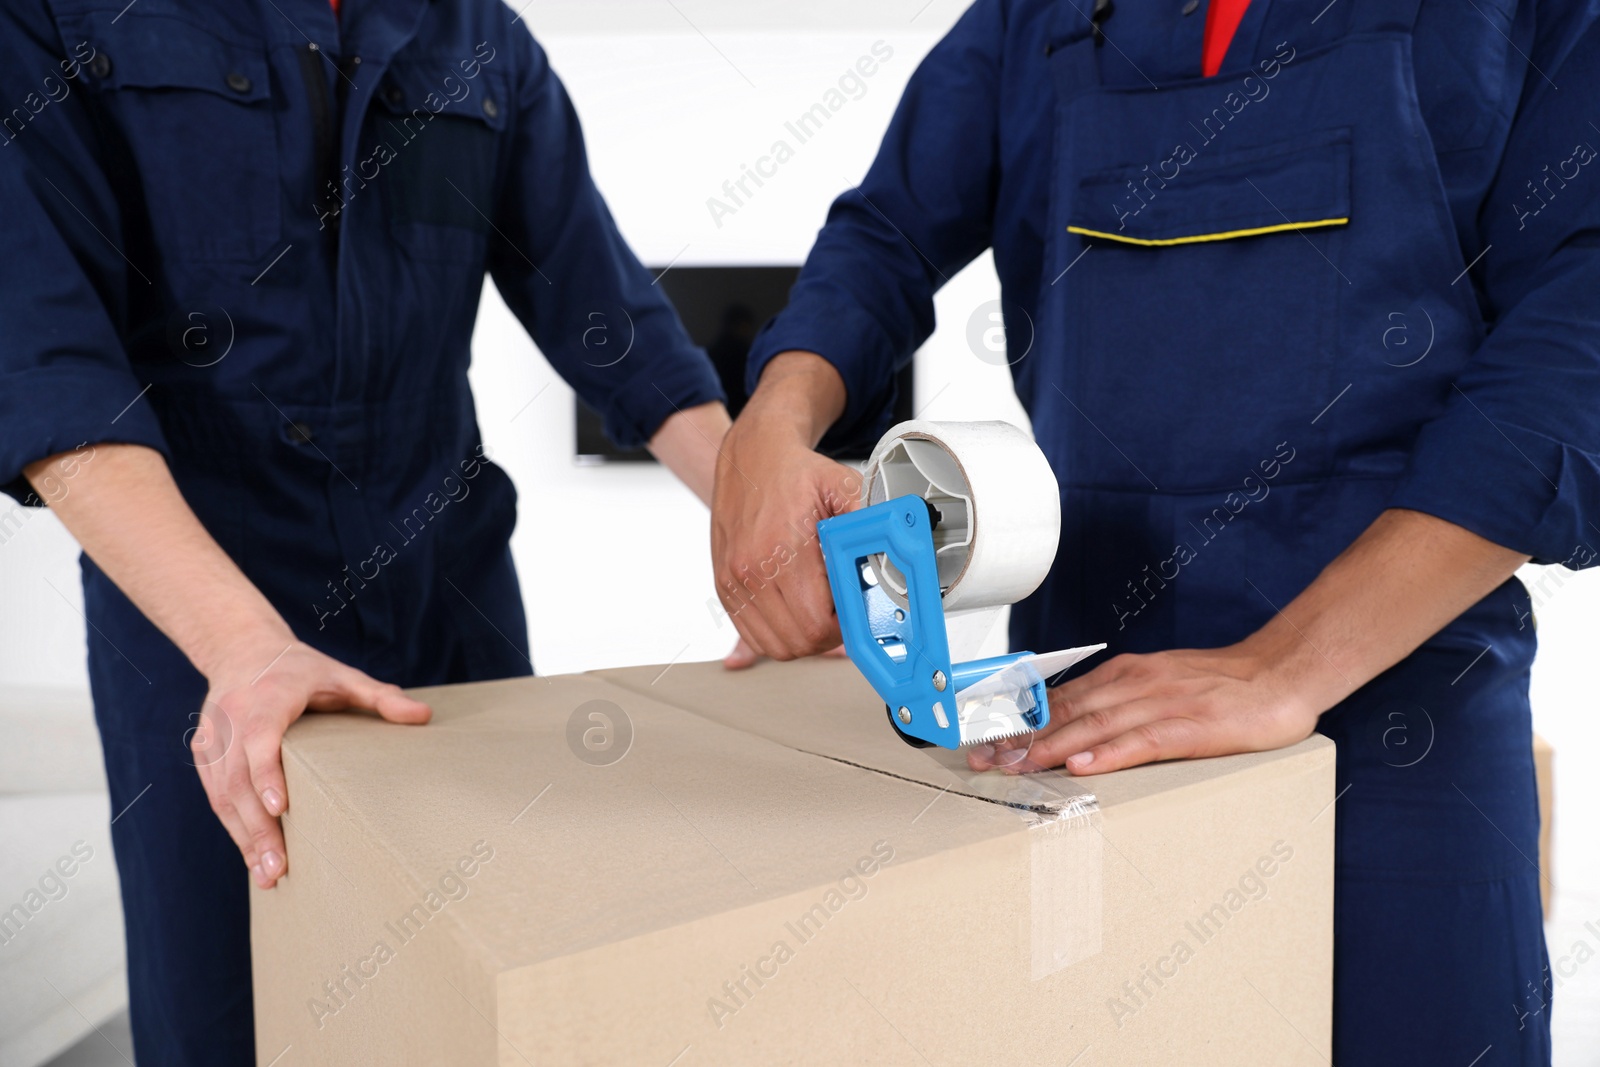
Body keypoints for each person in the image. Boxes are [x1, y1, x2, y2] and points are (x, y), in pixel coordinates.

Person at [711, 1, 1599, 1063]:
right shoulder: (1031, 20)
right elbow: (886, 231)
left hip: (1399, 726)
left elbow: (1575, 337)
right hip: (1084, 709)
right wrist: (772, 417)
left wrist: (1289, 664)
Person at [0, 1, 729, 1062]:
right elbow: (46, 362)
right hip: (203, 644)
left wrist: (760, 510)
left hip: (452, 613)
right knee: (235, 1019)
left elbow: (604, 311)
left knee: (485, 1000)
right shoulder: (53, 15)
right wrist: (242, 646)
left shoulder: (479, 34)